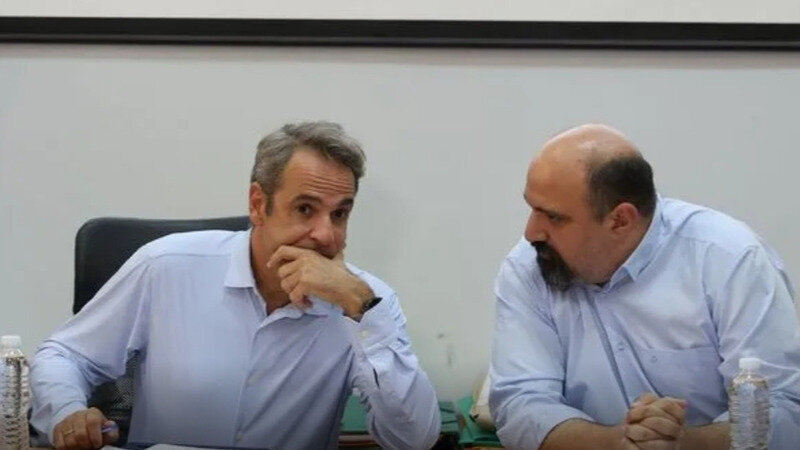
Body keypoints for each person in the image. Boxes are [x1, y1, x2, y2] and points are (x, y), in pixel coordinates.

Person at [31, 121, 441, 450]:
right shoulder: (166, 267)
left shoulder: (365, 302)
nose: (325, 234)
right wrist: (67, 412)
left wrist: (361, 307)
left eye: (340, 214)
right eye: (305, 209)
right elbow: (65, 354)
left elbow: (414, 440)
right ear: (258, 205)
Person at [489, 124, 800, 450]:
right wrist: (616, 443)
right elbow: (520, 403)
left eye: (554, 217)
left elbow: (785, 410)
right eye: (532, 208)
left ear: (621, 220)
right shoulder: (528, 266)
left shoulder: (729, 259)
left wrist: (686, 443)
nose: (531, 233)